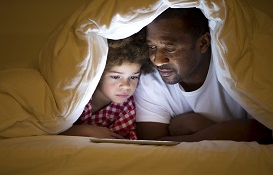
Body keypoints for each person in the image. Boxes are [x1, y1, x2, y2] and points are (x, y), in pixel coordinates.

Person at [134, 8, 273, 144]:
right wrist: (220, 132)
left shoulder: (240, 70)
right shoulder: (150, 80)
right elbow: (151, 146)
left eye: (170, 49)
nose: (157, 60)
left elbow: (265, 134)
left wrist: (192, 128)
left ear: (203, 43)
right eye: (152, 47)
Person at [60, 30, 153, 140]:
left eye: (133, 77)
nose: (126, 86)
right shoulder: (76, 98)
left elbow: (122, 142)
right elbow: (49, 130)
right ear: (99, 74)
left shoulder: (129, 108)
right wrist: (86, 130)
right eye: (115, 77)